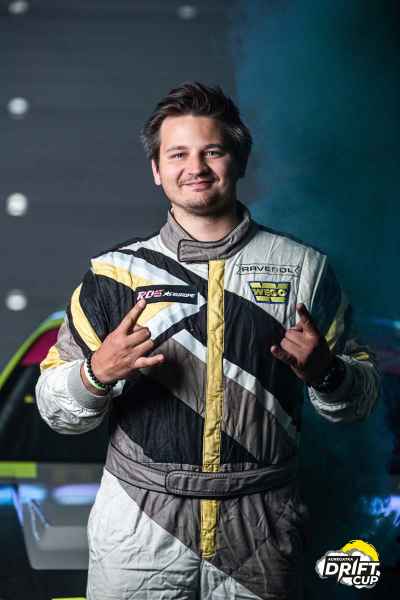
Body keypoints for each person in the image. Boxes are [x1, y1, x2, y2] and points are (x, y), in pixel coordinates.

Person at [36, 82, 380, 600]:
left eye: (212, 151)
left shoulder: (305, 270)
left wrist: (328, 374)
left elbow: (360, 402)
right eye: (178, 154)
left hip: (263, 521)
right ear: (157, 170)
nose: (195, 167)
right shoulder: (112, 275)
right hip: (140, 518)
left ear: (238, 160)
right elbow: (55, 410)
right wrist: (95, 374)